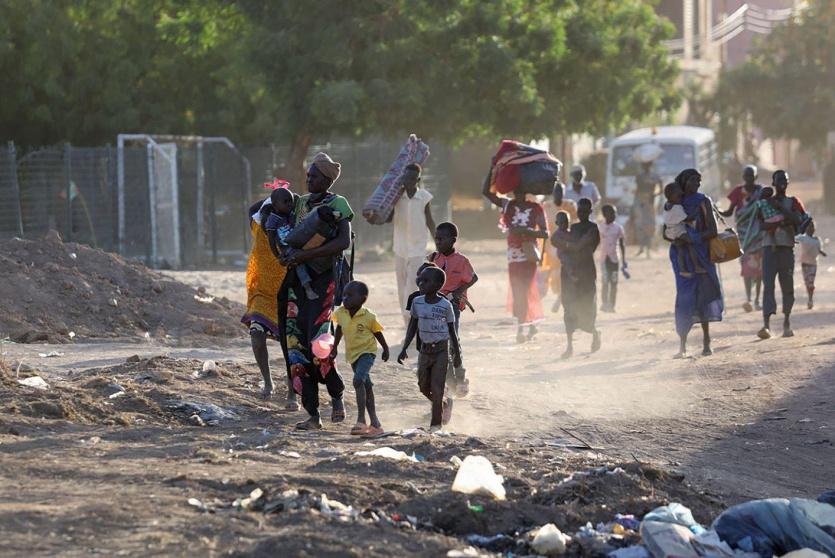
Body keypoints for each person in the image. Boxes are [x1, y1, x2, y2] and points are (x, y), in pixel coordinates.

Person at [279, 152, 354, 431]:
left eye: (314, 176)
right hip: (297, 284)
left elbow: (343, 242)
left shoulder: (338, 204)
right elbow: (263, 213)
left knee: (320, 346)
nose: (309, 179)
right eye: (308, 175)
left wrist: (305, 256)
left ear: (327, 179)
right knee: (296, 347)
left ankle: (336, 395)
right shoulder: (299, 203)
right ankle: (313, 414)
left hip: (324, 282)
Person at [663, 169, 723, 358]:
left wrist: (693, 238)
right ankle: (682, 345)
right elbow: (665, 231)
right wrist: (676, 239)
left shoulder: (703, 201)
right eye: (692, 180)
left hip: (701, 255)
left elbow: (713, 231)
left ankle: (706, 342)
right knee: (685, 298)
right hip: (682, 259)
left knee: (703, 297)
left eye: (699, 180)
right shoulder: (673, 204)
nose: (696, 184)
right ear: (683, 182)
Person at [241, 188, 293, 404]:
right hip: (262, 294)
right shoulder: (258, 227)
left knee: (290, 345)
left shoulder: (290, 230)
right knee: (256, 336)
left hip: (288, 293)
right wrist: (272, 198)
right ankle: (268, 381)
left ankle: (292, 391)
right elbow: (253, 209)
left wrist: (282, 200)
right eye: (267, 213)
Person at [482, 180, 548, 343]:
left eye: (521, 189)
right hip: (513, 254)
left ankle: (525, 326)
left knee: (526, 288)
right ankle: (526, 326)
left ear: (526, 191)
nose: (518, 192)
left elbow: (545, 233)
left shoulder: (535, 208)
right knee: (518, 290)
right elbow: (487, 192)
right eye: (515, 189)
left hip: (529, 253)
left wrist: (527, 232)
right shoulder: (507, 205)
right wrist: (493, 166)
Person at [397, 266, 462, 432]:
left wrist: (457, 355)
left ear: (438, 284)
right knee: (423, 385)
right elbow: (412, 326)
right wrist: (404, 347)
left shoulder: (445, 305)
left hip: (441, 350)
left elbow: (452, 331)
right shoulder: (417, 302)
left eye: (426, 281)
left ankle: (435, 425)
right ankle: (442, 403)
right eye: (420, 280)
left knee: (437, 387)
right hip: (424, 350)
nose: (421, 283)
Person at [331, 281, 389, 438]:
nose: (345, 298)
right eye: (344, 295)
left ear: (362, 299)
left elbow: (377, 332)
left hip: (367, 352)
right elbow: (339, 329)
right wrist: (335, 347)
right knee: (366, 385)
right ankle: (376, 424)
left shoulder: (369, 316)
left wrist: (385, 348)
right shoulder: (341, 313)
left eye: (350, 295)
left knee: (358, 381)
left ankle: (361, 420)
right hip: (353, 355)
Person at [430, 222, 478, 396]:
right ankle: (448, 379)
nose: (438, 241)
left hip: (453, 307)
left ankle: (460, 377)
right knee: (438, 342)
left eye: (441, 238)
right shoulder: (434, 259)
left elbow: (473, 278)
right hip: (435, 306)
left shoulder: (462, 261)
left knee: (452, 341)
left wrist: (457, 292)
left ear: (452, 240)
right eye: (436, 238)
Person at [757, 170, 806, 340]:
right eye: (779, 180)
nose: (782, 183)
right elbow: (759, 225)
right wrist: (780, 221)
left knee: (787, 287)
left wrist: (780, 210)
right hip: (769, 249)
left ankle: (786, 321)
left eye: (784, 180)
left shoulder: (792, 202)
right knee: (768, 286)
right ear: (773, 183)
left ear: (788, 182)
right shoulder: (764, 202)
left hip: (786, 248)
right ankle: (766, 325)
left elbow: (799, 220)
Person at [552, 198, 601, 358]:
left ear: (590, 212)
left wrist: (569, 246)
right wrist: (572, 246)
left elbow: (582, 246)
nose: (582, 213)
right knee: (569, 307)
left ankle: (594, 333)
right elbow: (556, 240)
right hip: (569, 273)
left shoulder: (593, 228)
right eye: (580, 211)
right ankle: (570, 346)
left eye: (585, 211)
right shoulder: (573, 228)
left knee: (587, 306)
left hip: (586, 272)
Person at [390, 163, 436, 324]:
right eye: (405, 178)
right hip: (400, 248)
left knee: (412, 285)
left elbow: (430, 221)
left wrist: (438, 242)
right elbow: (387, 218)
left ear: (418, 179)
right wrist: (391, 200)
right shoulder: (396, 197)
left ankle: (412, 318)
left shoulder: (424, 197)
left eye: (412, 178)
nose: (408, 181)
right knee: (401, 284)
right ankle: (406, 321)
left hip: (418, 248)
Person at [720, 165, 765, 312]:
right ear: (743, 177)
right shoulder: (738, 192)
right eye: (746, 176)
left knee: (759, 269)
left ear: (756, 177)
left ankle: (758, 299)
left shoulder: (761, 191)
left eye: (751, 176)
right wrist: (715, 210)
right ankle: (749, 299)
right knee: (747, 268)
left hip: (759, 235)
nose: (749, 179)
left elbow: (766, 209)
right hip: (744, 237)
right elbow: (728, 212)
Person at [264, 186, 318, 301]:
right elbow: (271, 239)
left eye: (290, 201)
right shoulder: (273, 219)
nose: (289, 204)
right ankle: (307, 287)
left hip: (299, 242)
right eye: (285, 202)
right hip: (287, 248)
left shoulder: (292, 213)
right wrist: (277, 255)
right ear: (275, 205)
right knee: (298, 262)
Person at [541, 182, 578, 312]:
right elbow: (541, 226)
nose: (558, 194)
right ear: (552, 192)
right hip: (550, 246)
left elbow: (575, 225)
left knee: (564, 272)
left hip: (565, 245)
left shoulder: (570, 205)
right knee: (551, 274)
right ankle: (556, 297)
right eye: (556, 191)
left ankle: (560, 299)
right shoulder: (546, 206)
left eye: (561, 191)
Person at [663, 182, 705, 278]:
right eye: (678, 197)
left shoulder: (666, 206)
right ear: (672, 196)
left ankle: (683, 270)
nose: (680, 199)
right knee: (691, 244)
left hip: (669, 232)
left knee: (681, 250)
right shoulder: (677, 207)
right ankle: (697, 266)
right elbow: (687, 219)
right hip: (678, 231)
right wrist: (697, 211)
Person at [598, 204, 627, 312]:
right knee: (605, 282)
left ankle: (612, 305)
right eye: (612, 213)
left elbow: (622, 244)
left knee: (614, 282)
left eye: (615, 213)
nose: (615, 215)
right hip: (604, 259)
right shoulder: (600, 227)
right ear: (605, 215)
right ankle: (604, 304)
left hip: (614, 259)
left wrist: (624, 260)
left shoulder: (618, 228)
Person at [632, 161, 662, 257]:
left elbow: (661, 189)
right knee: (641, 225)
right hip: (641, 203)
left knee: (650, 225)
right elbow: (637, 190)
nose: (645, 167)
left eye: (647, 166)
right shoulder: (639, 177)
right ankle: (642, 248)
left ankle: (649, 249)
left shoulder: (655, 177)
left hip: (650, 203)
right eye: (644, 166)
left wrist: (654, 195)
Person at [796, 220, 826, 310]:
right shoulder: (803, 238)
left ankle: (810, 299)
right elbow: (794, 239)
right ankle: (810, 298)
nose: (811, 229)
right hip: (804, 264)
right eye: (809, 227)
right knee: (807, 282)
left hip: (813, 264)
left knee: (811, 282)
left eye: (812, 227)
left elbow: (818, 249)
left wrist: (822, 253)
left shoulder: (817, 240)